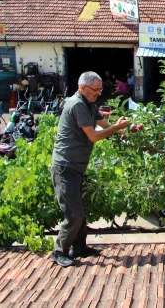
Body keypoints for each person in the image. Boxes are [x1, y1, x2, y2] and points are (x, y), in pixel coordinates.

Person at [50, 71, 130, 267]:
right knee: (74, 212)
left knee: (79, 209)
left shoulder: (89, 104)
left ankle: (79, 248)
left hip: (75, 166)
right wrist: (117, 129)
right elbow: (94, 135)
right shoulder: (77, 104)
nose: (98, 93)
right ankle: (59, 250)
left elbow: (105, 125)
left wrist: (124, 127)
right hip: (65, 165)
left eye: (100, 89)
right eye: (95, 90)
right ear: (83, 88)